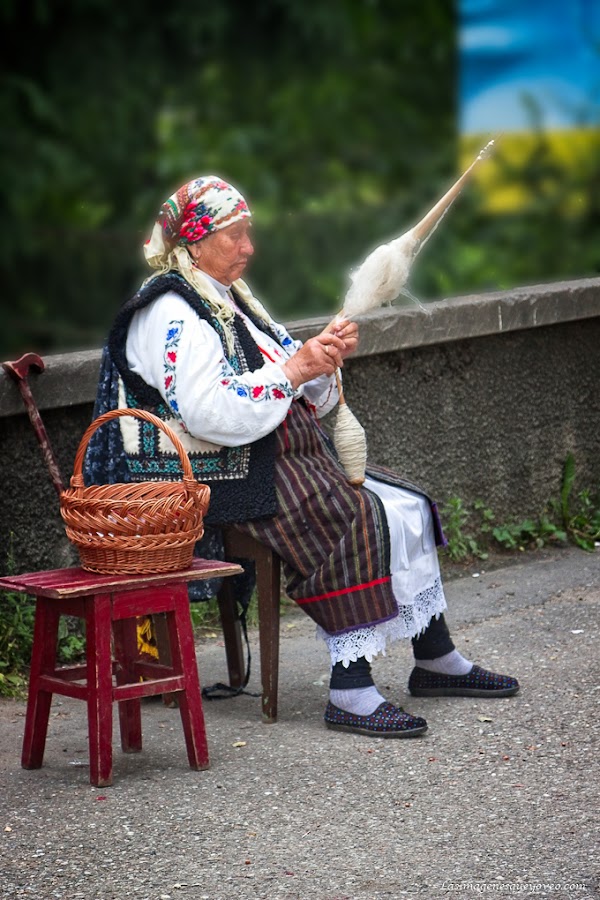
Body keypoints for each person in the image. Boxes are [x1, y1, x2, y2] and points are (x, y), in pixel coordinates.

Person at [86, 175, 518, 738]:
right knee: (352, 515)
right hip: (211, 476)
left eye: (249, 233)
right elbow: (206, 412)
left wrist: (320, 361)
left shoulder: (230, 297)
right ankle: (351, 689)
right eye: (235, 235)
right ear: (194, 242)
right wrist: (295, 370)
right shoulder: (172, 311)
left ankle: (435, 659)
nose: (249, 247)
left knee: (404, 503)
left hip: (275, 457)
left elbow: (289, 374)